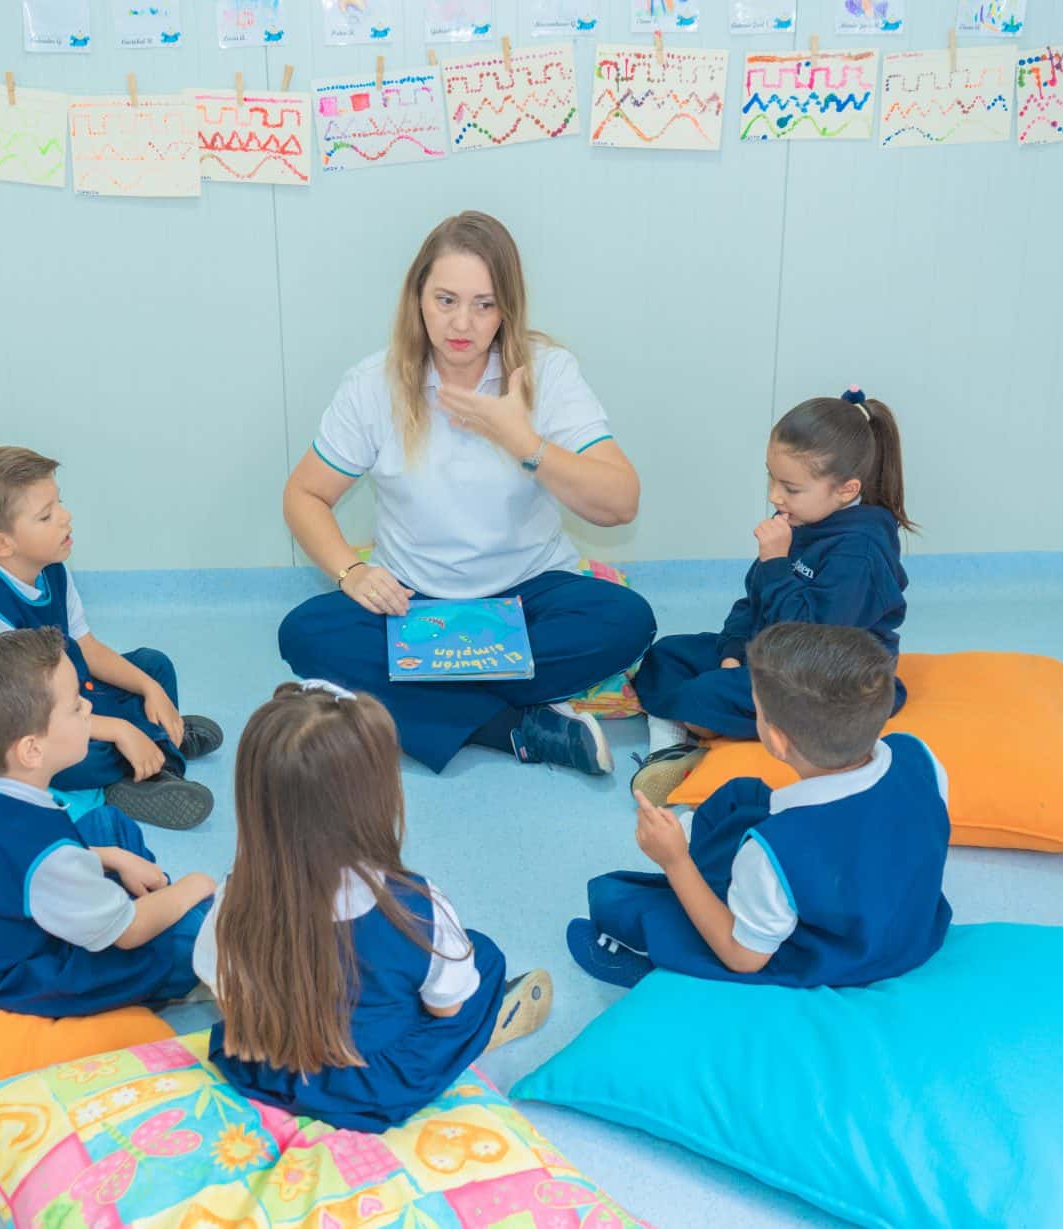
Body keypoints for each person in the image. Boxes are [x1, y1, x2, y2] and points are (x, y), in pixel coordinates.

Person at [278, 211, 655, 776]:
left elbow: (621, 503)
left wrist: (523, 442)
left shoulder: (548, 372)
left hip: (530, 594)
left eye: (484, 304)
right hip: (411, 600)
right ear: (418, 299)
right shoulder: (372, 384)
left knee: (627, 620)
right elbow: (304, 495)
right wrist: (350, 573)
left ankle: (422, 699)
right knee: (304, 635)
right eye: (446, 300)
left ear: (507, 309)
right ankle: (513, 728)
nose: (462, 323)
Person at [192, 681, 553, 1131]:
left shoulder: (234, 897)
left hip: (265, 1067)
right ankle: (482, 1037)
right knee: (486, 959)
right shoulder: (417, 906)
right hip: (368, 1086)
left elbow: (225, 994)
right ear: (376, 799)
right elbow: (446, 1009)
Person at [569, 623, 951, 990]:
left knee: (617, 900)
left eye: (757, 711)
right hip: (909, 925)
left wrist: (675, 862)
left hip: (837, 958)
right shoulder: (918, 755)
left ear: (778, 741)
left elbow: (743, 958)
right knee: (742, 796)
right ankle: (711, 875)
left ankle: (662, 969)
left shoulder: (777, 851)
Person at [0, 628, 216, 1017]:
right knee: (187, 937)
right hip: (10, 973)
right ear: (31, 750)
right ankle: (150, 924)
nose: (89, 708)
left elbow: (2, 859)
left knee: (108, 824)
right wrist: (193, 886)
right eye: (76, 706)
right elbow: (129, 934)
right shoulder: (48, 854)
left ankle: (121, 902)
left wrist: (111, 857)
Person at [631, 387, 913, 803]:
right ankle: (683, 737)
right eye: (772, 478)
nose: (774, 496)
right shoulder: (803, 519)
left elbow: (813, 640)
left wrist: (777, 564)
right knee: (666, 655)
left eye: (791, 488)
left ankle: (678, 735)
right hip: (773, 653)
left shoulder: (861, 552)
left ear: (846, 489)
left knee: (703, 693)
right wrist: (732, 650)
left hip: (830, 680)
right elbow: (753, 601)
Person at [0, 445, 219, 829]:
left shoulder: (50, 569)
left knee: (153, 666)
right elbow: (25, 720)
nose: (66, 517)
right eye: (46, 516)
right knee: (76, 754)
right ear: (0, 543)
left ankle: (156, 741)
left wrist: (150, 689)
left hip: (60, 693)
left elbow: (87, 648)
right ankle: (148, 765)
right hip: (15, 720)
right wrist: (120, 728)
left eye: (59, 504)